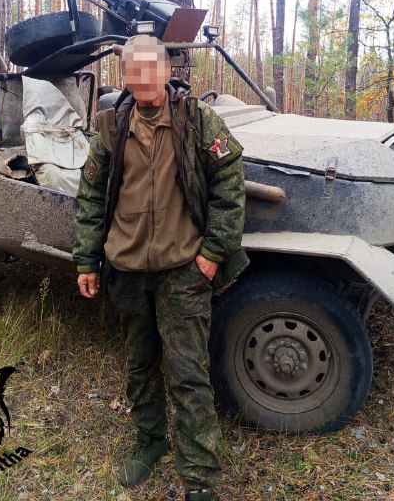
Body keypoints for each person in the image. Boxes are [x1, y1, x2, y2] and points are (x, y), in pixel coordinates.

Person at [72, 34, 248, 501]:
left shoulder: (197, 120)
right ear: (126, 75)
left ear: (168, 71)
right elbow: (90, 196)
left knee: (188, 373)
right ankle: (150, 442)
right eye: (135, 70)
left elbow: (230, 182)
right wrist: (87, 259)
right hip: (127, 269)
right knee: (140, 366)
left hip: (183, 269)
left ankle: (199, 477)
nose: (144, 77)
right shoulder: (111, 126)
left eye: (153, 68)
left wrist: (213, 253)